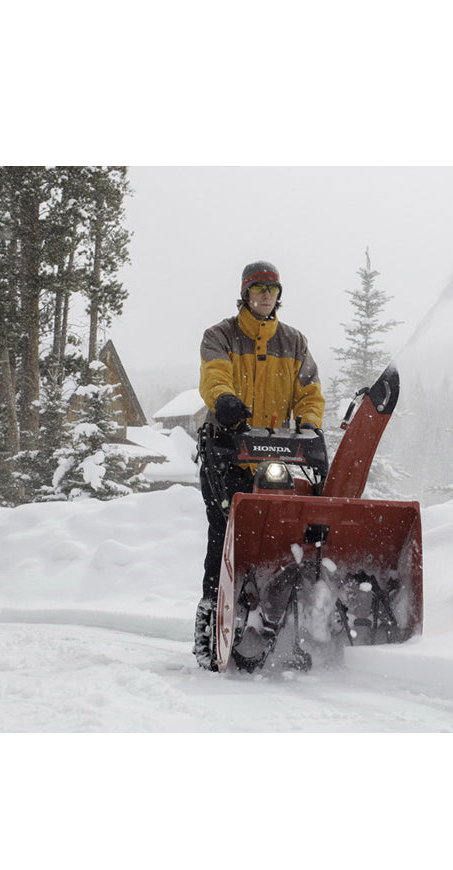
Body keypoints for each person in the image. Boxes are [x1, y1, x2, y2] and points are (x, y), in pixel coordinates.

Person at [193, 261, 325, 669]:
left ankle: (284, 608)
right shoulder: (220, 336)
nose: (266, 294)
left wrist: (309, 424)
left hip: (273, 454)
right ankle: (211, 620)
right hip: (225, 450)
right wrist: (224, 400)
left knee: (284, 532)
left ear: (279, 296)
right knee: (225, 534)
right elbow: (214, 375)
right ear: (245, 294)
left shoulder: (294, 342)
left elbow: (309, 392)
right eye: (258, 288)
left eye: (272, 289)